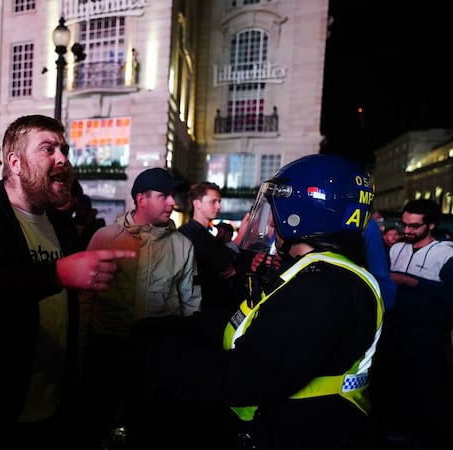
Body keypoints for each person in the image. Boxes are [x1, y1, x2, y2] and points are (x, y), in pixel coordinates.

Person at [135, 153, 384, 449]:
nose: (271, 218)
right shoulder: (318, 272)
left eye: (276, 208)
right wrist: (172, 328)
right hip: (300, 426)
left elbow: (248, 374)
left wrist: (150, 358)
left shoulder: (323, 285)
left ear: (301, 212)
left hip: (300, 431)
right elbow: (247, 323)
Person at [0, 114, 136, 449]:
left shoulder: (59, 225)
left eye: (64, 150)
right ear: (15, 162)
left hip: (53, 406)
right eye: (48, 149)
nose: (63, 160)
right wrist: (56, 275)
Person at [78, 167, 199, 449]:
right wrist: (80, 349)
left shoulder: (182, 246)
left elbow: (190, 304)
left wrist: (185, 356)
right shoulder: (105, 238)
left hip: (155, 354)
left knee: (148, 429)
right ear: (141, 199)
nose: (172, 202)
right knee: (96, 424)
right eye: (164, 195)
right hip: (107, 349)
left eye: (173, 196)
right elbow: (86, 297)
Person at [371, 199, 453, 449]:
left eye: (414, 226)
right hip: (394, 331)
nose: (407, 231)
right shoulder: (396, 249)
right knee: (393, 386)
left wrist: (410, 281)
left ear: (430, 225)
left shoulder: (447, 253)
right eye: (404, 225)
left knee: (425, 391)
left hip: (427, 334)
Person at [178, 181, 249, 319]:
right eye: (213, 201)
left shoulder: (206, 234)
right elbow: (212, 263)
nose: (218, 206)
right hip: (198, 310)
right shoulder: (187, 234)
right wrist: (239, 239)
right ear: (196, 204)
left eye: (219, 201)